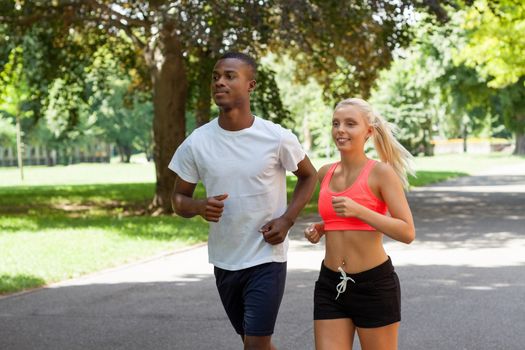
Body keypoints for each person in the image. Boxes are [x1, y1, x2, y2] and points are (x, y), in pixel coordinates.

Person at [169, 52, 317, 350]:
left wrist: (287, 220)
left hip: (266, 256)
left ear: (251, 85)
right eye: (215, 77)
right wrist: (199, 207)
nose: (219, 82)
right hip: (225, 260)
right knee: (253, 342)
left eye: (229, 76)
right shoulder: (197, 142)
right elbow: (178, 199)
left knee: (255, 343)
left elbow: (309, 176)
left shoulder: (276, 137)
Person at [304, 98, 415, 350]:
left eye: (350, 124)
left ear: (368, 132)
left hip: (373, 286)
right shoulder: (326, 173)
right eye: (336, 123)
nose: (340, 130)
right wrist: (322, 227)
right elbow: (340, 220)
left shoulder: (381, 173)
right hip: (330, 284)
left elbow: (407, 231)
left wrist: (360, 211)